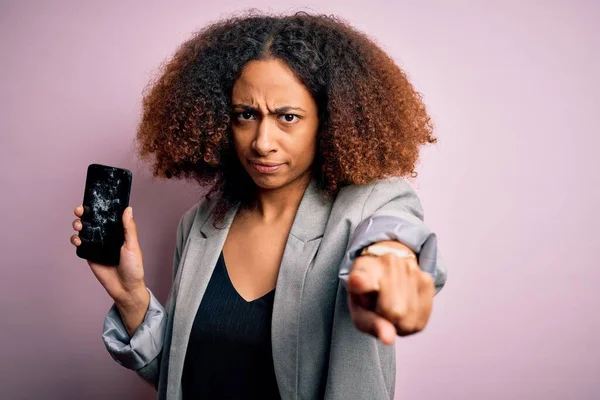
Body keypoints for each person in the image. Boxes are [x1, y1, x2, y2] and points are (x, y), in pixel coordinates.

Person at [70, 12, 447, 400]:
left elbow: (395, 234)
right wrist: (131, 297)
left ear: (330, 121)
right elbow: (184, 375)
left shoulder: (365, 207)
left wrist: (387, 262)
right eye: (246, 115)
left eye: (288, 117)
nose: (262, 141)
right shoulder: (201, 224)